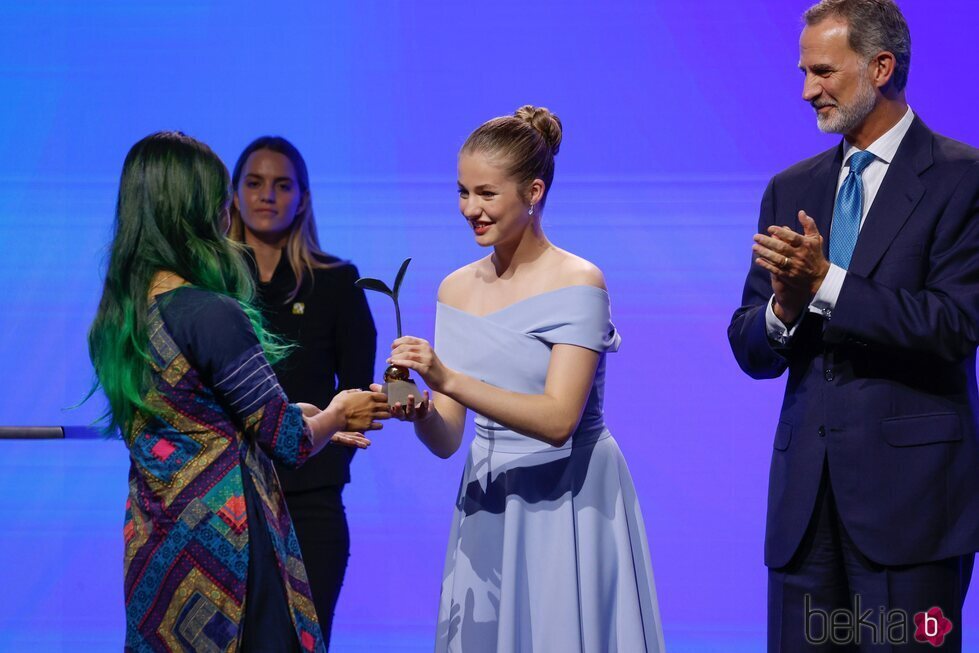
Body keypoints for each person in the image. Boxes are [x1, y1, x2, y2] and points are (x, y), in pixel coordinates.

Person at [727, 1, 979, 650]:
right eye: (804, 71)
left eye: (822, 71)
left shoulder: (961, 178)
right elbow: (750, 346)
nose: (806, 89)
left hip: (912, 509)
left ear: (880, 66)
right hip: (803, 511)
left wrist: (826, 284)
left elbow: (955, 322)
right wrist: (781, 309)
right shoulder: (791, 187)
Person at [87, 131, 388, 652]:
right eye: (223, 192)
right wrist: (337, 412)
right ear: (195, 206)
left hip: (155, 542)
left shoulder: (118, 320)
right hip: (230, 550)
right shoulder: (210, 312)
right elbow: (289, 440)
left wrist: (288, 412)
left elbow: (192, 417)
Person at [383, 106, 664, 652]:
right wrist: (419, 409)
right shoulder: (455, 290)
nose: (470, 209)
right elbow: (447, 439)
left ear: (533, 191)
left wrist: (447, 375)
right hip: (489, 496)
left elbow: (559, 420)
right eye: (463, 192)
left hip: (571, 497)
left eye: (486, 194)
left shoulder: (579, 281)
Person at [228, 136, 377, 648]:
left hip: (309, 501)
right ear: (233, 193)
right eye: (254, 182)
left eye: (282, 184)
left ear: (303, 197)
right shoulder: (209, 286)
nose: (267, 195)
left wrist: (316, 439)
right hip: (225, 500)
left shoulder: (338, 282)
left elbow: (356, 397)